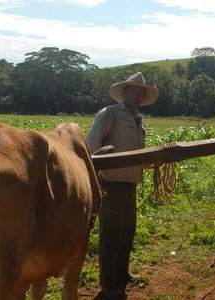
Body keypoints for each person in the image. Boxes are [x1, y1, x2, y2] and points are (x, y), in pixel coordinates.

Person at [86, 72, 158, 299]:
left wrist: (150, 161)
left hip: (130, 184)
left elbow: (135, 151)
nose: (136, 95)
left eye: (140, 92)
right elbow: (91, 147)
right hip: (111, 184)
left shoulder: (137, 119)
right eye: (133, 90)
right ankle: (108, 286)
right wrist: (94, 179)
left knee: (127, 232)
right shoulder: (109, 114)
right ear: (124, 92)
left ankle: (121, 274)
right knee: (111, 235)